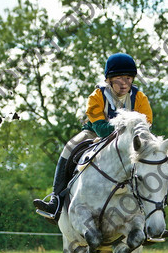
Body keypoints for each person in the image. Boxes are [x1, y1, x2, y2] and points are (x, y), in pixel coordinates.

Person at [33, 52, 153, 222]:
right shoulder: (97, 96)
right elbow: (102, 130)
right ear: (108, 80)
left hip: (128, 140)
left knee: (153, 158)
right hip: (94, 133)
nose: (124, 83)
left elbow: (146, 126)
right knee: (69, 148)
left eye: (128, 78)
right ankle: (56, 200)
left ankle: (151, 212)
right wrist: (127, 124)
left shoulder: (140, 98)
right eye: (118, 78)